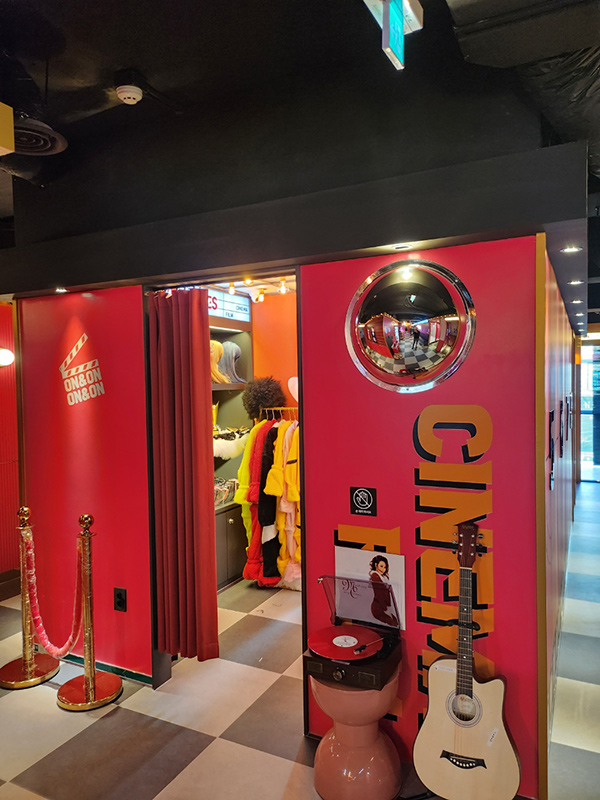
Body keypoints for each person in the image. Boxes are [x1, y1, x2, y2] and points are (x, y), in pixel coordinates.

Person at [369, 555, 398, 627]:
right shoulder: (375, 576)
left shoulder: (383, 578)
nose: (383, 569)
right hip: (380, 608)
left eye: (385, 567)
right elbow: (379, 594)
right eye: (381, 566)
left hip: (384, 607)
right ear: (376, 565)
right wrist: (386, 609)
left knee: (394, 623)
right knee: (393, 624)